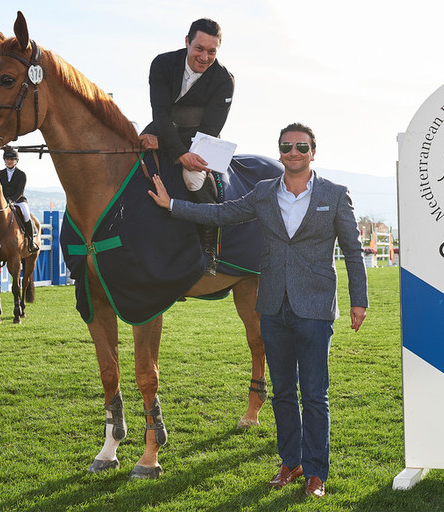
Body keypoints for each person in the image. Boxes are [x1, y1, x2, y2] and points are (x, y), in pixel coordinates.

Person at [149, 122, 368, 498]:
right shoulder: (264, 192)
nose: (294, 153)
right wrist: (172, 205)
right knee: (283, 392)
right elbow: (223, 214)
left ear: (313, 152)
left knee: (315, 395)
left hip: (315, 306)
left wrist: (358, 299)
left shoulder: (335, 193)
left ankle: (316, 473)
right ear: (280, 151)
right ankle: (291, 463)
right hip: (272, 305)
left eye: (302, 147)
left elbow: (351, 249)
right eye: (287, 146)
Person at [139, 18, 235, 275]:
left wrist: (176, 152)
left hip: (199, 141)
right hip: (162, 127)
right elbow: (159, 113)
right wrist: (168, 144)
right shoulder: (162, 63)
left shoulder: (224, 80)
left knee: (193, 179)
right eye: (199, 49)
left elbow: (209, 130)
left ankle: (208, 247)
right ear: (187, 42)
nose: (204, 57)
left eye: (212, 51)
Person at [0, 147, 39, 254]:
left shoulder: (21, 175)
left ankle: (31, 241)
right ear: (5, 161)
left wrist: (12, 200)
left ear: (16, 161)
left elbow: (20, 191)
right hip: (2, 202)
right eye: (7, 160)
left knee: (25, 213)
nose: (9, 162)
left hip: (18, 200)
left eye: (12, 160)